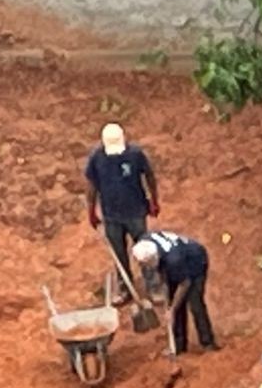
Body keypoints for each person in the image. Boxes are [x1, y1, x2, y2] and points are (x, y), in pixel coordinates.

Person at [84, 122, 158, 297]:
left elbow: (149, 175)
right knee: (119, 254)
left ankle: (153, 287)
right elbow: (91, 185)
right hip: (111, 215)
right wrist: (91, 211)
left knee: (144, 250)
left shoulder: (135, 154)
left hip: (136, 212)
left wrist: (154, 201)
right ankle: (125, 288)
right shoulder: (97, 158)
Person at [132, 231, 219, 355]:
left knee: (195, 304)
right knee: (175, 302)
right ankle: (179, 346)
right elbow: (159, 268)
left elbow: (185, 283)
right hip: (177, 262)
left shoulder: (174, 260)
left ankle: (208, 343)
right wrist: (165, 287)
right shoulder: (145, 241)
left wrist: (171, 309)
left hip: (195, 263)